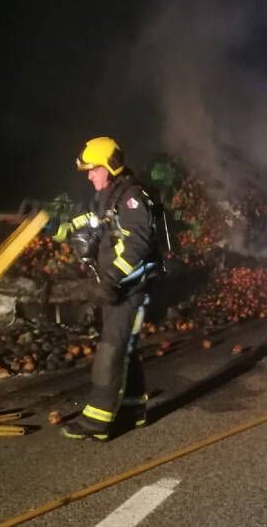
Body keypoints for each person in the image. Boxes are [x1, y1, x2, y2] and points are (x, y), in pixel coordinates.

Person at [49, 136, 164, 441]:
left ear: (110, 168)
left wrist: (112, 279)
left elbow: (138, 244)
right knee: (124, 346)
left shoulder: (132, 198)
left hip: (131, 289)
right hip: (117, 286)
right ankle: (133, 409)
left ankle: (97, 419)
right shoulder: (109, 197)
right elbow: (94, 220)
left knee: (111, 348)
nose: (89, 175)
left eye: (93, 169)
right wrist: (58, 226)